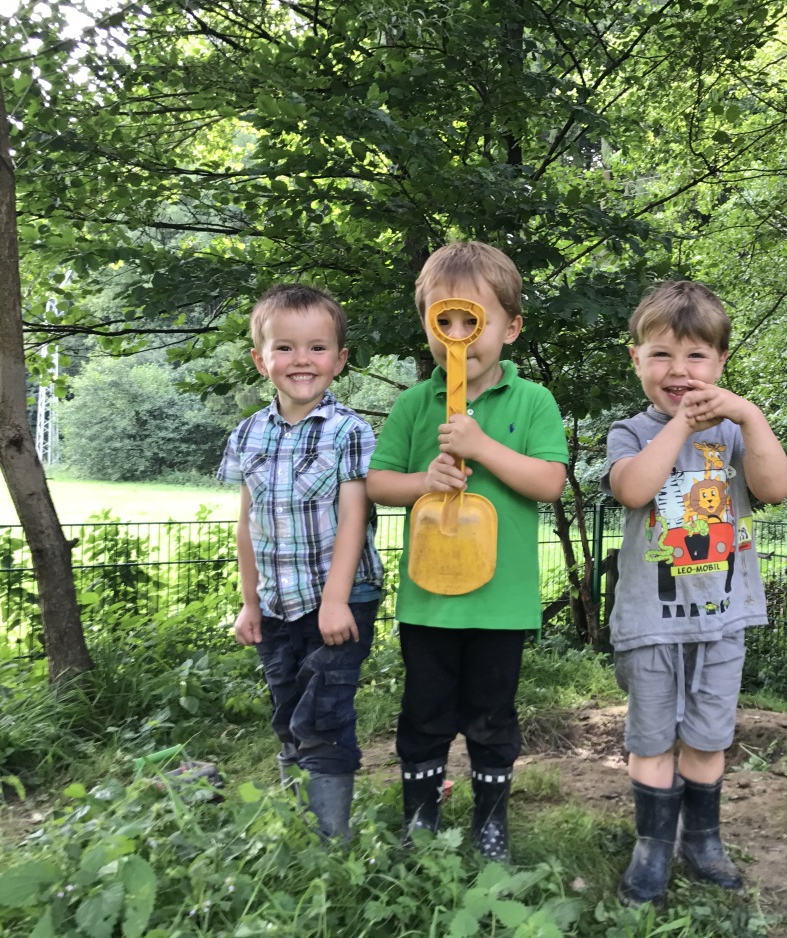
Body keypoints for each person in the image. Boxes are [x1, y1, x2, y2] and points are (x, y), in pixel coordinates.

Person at [367, 241, 568, 862]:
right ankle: (420, 820)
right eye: (443, 321)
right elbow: (378, 483)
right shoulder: (412, 402)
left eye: (472, 322)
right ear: (427, 323)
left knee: (491, 719)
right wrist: (423, 482)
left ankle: (491, 824)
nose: (459, 337)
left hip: (501, 607)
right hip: (428, 601)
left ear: (511, 327)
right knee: (422, 716)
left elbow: (550, 483)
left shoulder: (532, 401)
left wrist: (480, 446)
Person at [602, 280, 787, 906]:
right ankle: (652, 848)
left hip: (723, 618)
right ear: (636, 361)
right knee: (652, 738)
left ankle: (702, 840)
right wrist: (681, 423)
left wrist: (752, 416)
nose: (678, 371)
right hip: (650, 620)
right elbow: (634, 489)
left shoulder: (735, 434)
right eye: (661, 355)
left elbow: (773, 488)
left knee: (709, 737)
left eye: (695, 357)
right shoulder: (630, 432)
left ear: (720, 365)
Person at [217, 283, 384, 841]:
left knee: (324, 719)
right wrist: (248, 602)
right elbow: (246, 523)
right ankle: (298, 828)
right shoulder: (247, 434)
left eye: (316, 347)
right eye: (284, 347)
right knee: (288, 712)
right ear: (260, 359)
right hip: (276, 604)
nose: (300, 360)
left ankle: (330, 845)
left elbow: (355, 520)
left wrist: (336, 601)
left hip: (340, 602)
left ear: (339, 359)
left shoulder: (350, 431)